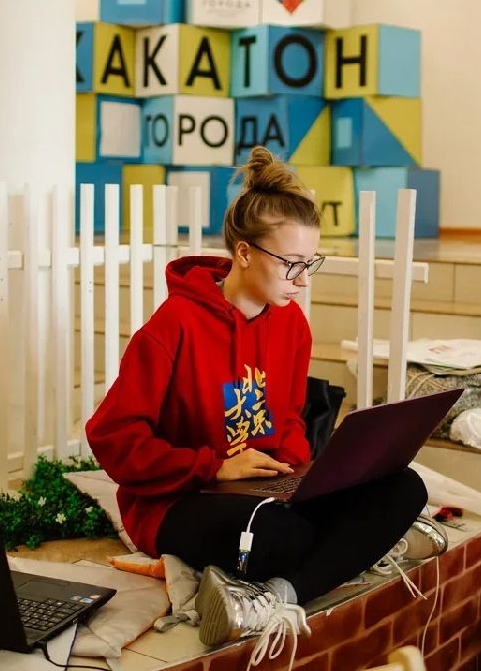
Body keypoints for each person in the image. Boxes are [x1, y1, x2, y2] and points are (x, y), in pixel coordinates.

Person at [85, 147, 437, 656]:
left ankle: (276, 595)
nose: (303, 280)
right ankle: (341, 552)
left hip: (264, 491)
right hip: (178, 499)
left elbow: (288, 421)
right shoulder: (172, 327)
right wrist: (213, 467)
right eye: (291, 264)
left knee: (404, 487)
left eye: (309, 263)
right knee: (282, 537)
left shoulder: (292, 325)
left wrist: (304, 478)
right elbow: (113, 438)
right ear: (245, 253)